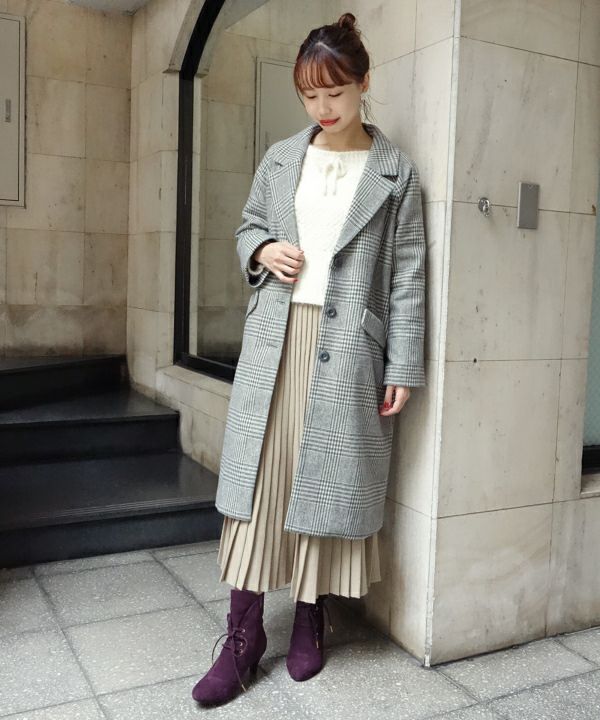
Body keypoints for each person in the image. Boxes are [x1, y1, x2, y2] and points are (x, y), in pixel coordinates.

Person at [192, 11, 426, 707]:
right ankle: (241, 635)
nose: (322, 107)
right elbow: (248, 227)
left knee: (322, 481)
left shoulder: (395, 173)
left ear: (364, 83)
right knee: (259, 484)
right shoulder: (280, 158)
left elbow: (408, 273)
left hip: (349, 349)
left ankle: (309, 616)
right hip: (276, 341)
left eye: (335, 92)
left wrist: (402, 364)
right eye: (309, 95)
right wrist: (263, 250)